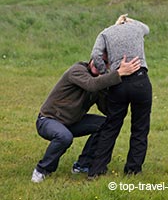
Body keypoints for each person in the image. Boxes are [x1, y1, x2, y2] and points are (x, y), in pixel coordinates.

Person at [31, 54, 141, 183]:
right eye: (98, 59)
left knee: (105, 124)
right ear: (91, 58)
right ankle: (41, 170)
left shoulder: (100, 82)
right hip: (48, 120)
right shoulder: (77, 70)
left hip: (72, 122)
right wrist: (118, 73)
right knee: (64, 137)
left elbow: (106, 110)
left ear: (108, 67)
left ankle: (82, 165)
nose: (100, 64)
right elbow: (91, 84)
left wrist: (118, 94)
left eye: (105, 62)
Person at [88, 14, 152, 178]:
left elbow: (95, 55)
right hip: (140, 81)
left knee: (111, 126)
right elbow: (147, 29)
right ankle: (133, 170)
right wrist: (130, 20)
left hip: (118, 83)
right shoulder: (137, 27)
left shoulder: (105, 33)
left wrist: (107, 73)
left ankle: (96, 170)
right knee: (140, 128)